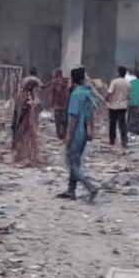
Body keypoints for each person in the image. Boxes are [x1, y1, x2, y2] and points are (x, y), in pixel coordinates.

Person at [56, 67, 99, 203]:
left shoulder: (76, 94)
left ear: (72, 79)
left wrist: (68, 135)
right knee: (75, 162)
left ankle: (90, 186)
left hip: (76, 133)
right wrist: (91, 129)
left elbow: (73, 117)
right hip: (84, 133)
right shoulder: (87, 93)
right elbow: (89, 114)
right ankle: (71, 190)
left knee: (71, 163)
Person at [12, 76, 43, 167]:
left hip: (27, 121)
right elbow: (20, 110)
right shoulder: (23, 95)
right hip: (23, 121)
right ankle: (21, 158)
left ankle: (28, 158)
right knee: (22, 139)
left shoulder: (28, 94)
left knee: (28, 139)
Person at [106, 66, 131, 147]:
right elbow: (129, 95)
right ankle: (124, 140)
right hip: (123, 107)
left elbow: (110, 92)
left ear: (118, 72)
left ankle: (112, 141)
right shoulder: (127, 83)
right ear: (125, 73)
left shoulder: (115, 82)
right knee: (122, 124)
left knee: (112, 124)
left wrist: (106, 99)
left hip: (113, 106)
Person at [44, 69, 70, 140]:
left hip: (57, 107)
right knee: (64, 122)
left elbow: (50, 93)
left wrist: (51, 105)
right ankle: (64, 136)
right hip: (65, 106)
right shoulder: (67, 82)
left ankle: (60, 137)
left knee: (58, 123)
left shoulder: (55, 83)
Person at [127, 70, 139, 135]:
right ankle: (137, 129)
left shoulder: (132, 82)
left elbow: (128, 91)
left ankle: (128, 129)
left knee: (130, 116)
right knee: (137, 116)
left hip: (130, 102)